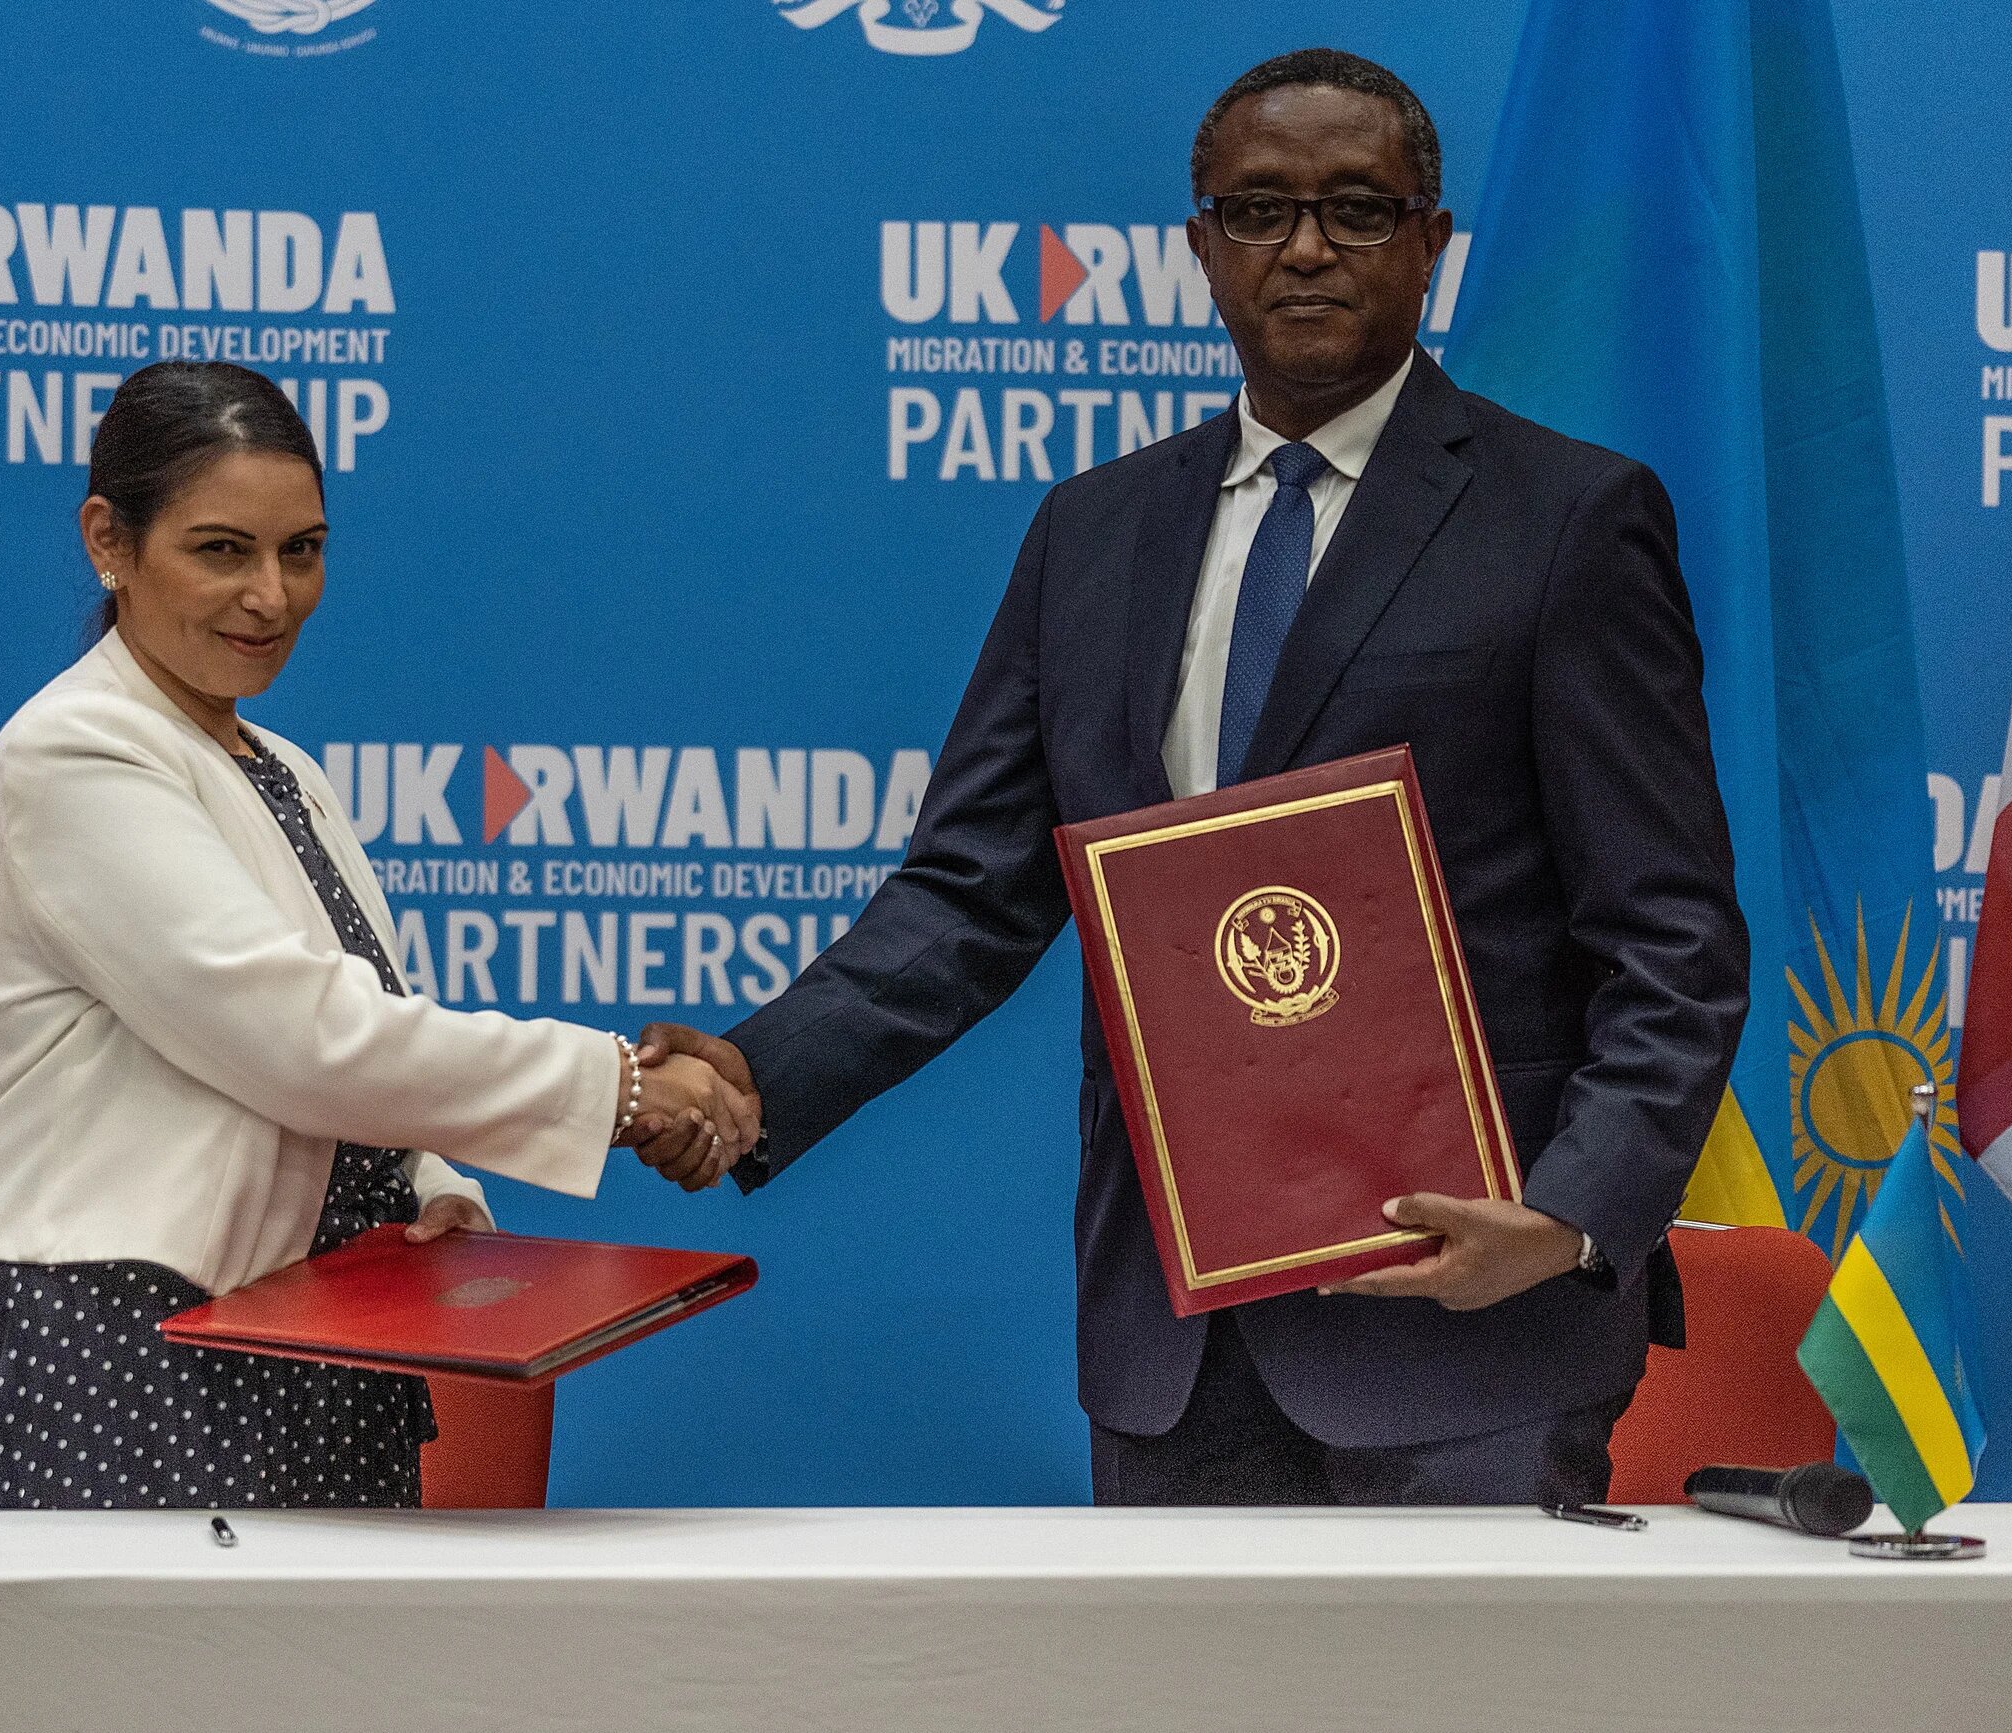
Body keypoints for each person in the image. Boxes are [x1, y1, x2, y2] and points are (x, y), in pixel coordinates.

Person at [638, 48, 1748, 1506]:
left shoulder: (1568, 519)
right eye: (1258, 210)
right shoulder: (1090, 533)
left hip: (1471, 1318)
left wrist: (1567, 1217)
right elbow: (969, 894)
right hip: (1174, 1327)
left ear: (1430, 240)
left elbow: (1671, 935)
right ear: (1200, 247)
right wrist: (755, 1072)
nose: (1305, 247)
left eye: (1357, 208)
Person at [0, 360, 754, 1512]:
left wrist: (426, 1196)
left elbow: (354, 1051)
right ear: (108, 541)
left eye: (300, 551)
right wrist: (624, 1089)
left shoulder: (284, 769)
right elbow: (302, 1039)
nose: (270, 595)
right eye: (221, 550)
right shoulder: (74, 749)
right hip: (91, 1339)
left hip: (292, 1349)